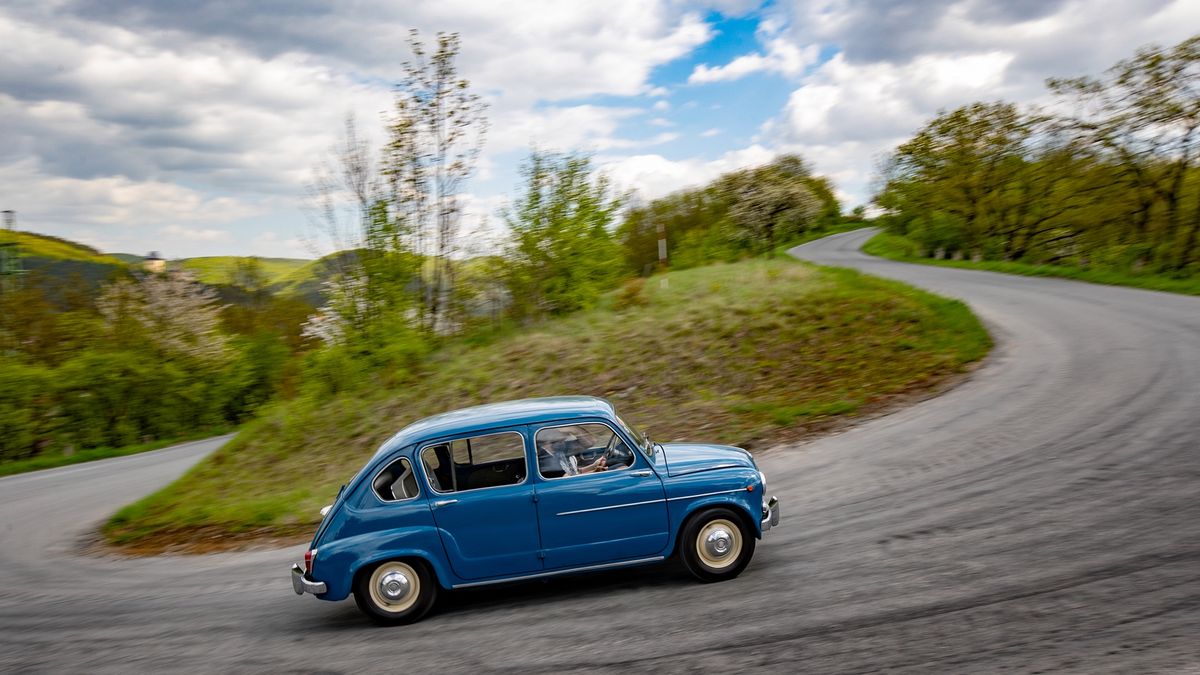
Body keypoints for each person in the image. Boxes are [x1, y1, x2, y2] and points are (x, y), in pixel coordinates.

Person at [537, 426, 607, 478]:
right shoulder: (546, 460)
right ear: (549, 436)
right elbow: (569, 481)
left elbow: (590, 442)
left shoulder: (557, 448)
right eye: (562, 438)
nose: (567, 437)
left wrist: (593, 466)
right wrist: (595, 472)